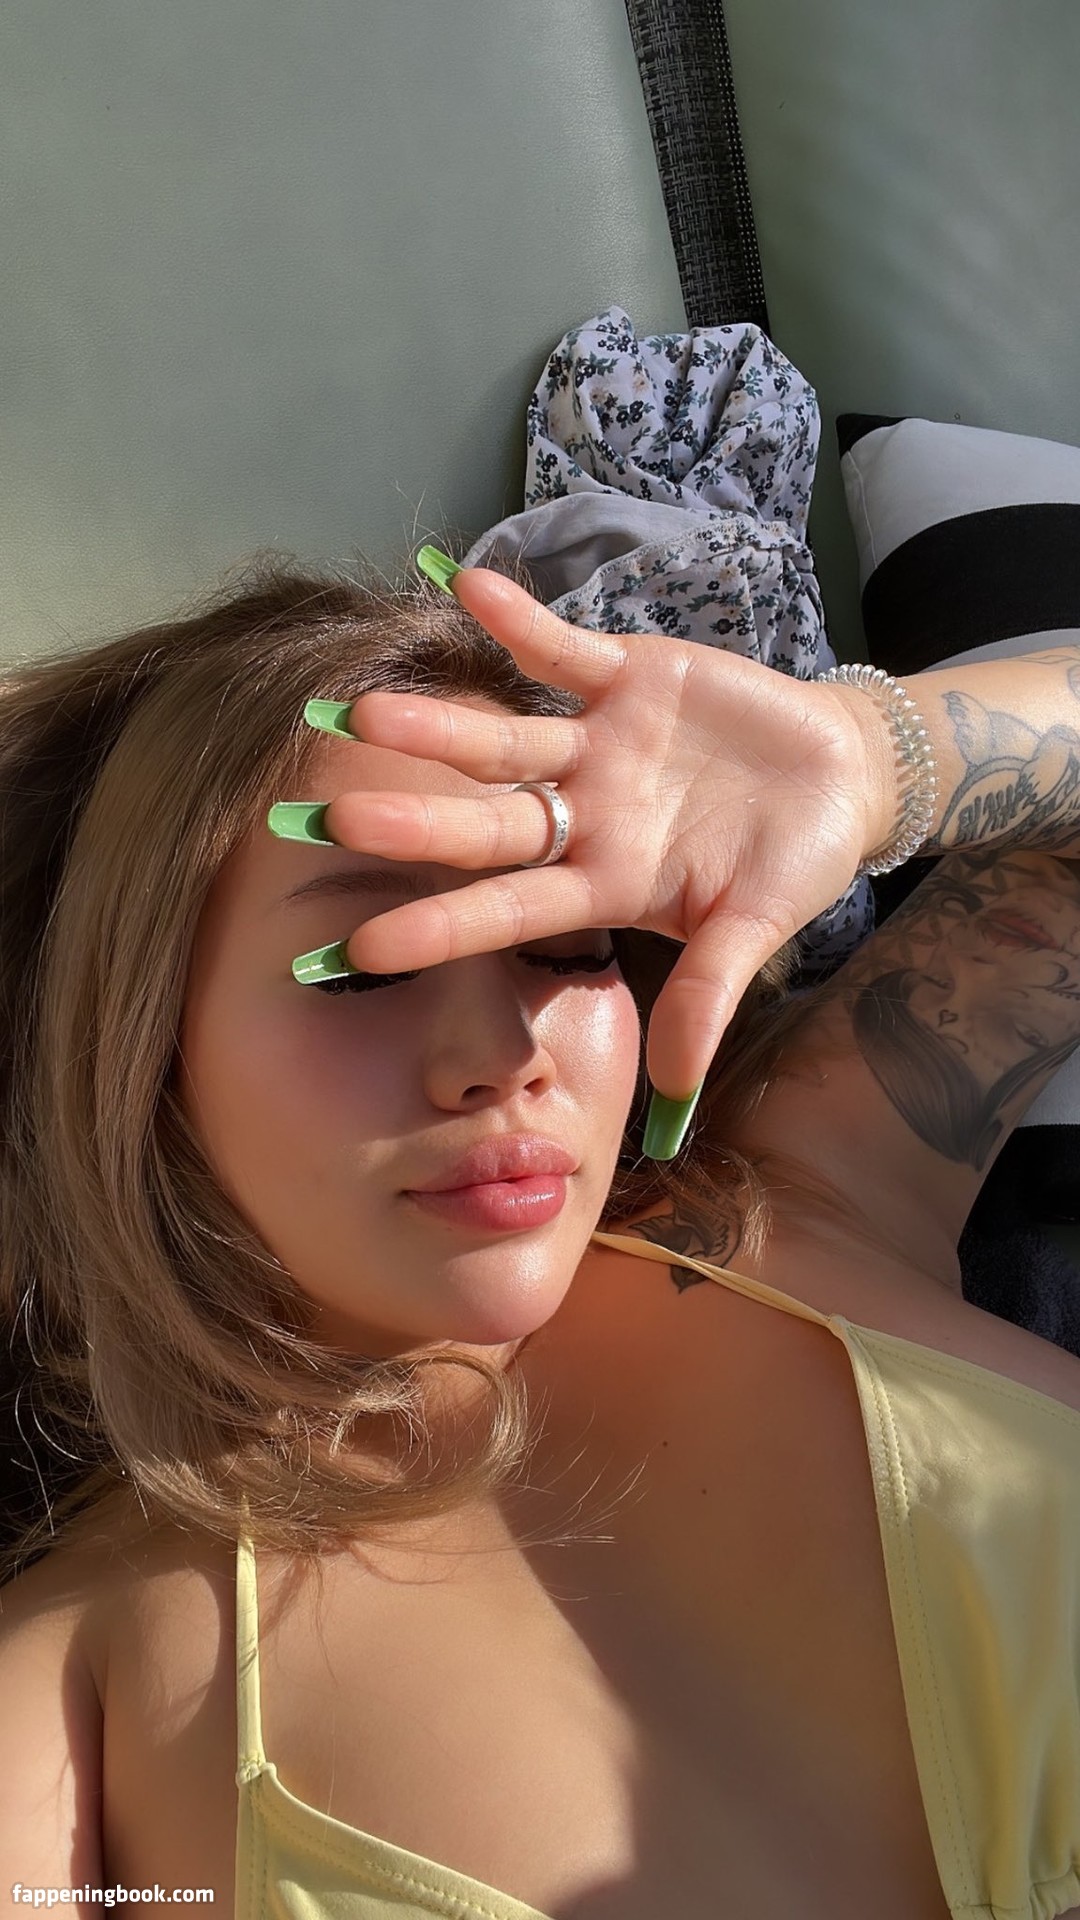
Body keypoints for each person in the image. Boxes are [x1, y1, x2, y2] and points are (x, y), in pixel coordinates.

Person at [0, 549, 1079, 1920]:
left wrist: (871, 760)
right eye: (364, 967)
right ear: (139, 1046)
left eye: (563, 946)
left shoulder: (788, 1201)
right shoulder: (78, 1703)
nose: (502, 1056)